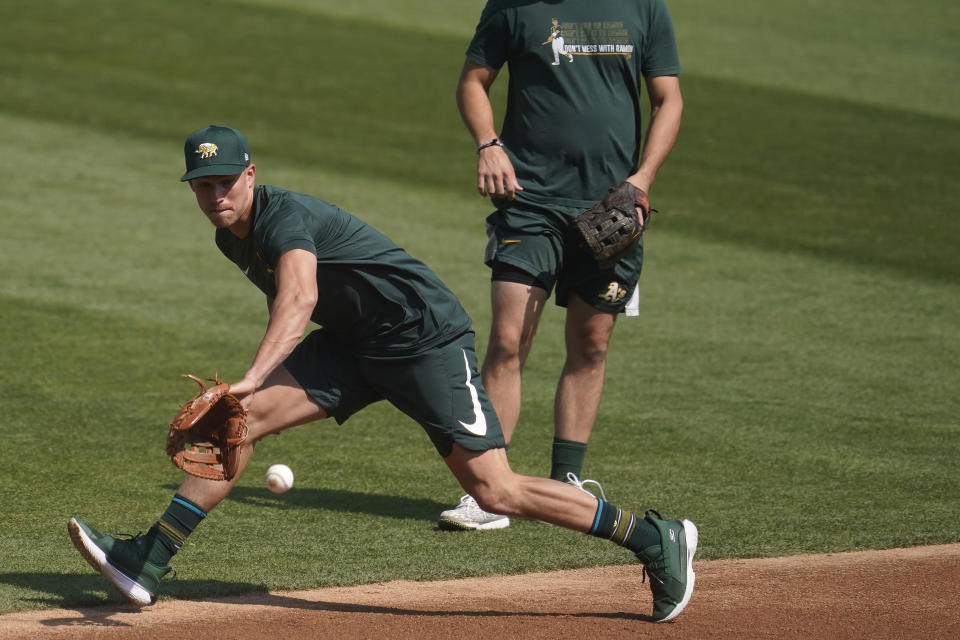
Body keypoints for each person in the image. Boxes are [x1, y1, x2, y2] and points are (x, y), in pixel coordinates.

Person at [67, 125, 697, 622]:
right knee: (235, 424)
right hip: (352, 344)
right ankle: (149, 560)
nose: (217, 196)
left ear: (251, 175)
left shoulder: (283, 218)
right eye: (204, 186)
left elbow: (300, 299)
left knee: (494, 491)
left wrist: (255, 373)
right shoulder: (232, 236)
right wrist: (257, 386)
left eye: (227, 181)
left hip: (423, 339)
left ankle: (653, 537)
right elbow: (293, 303)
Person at [438, 0, 684, 532]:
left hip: (612, 204)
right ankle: (488, 491)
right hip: (530, 201)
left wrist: (643, 180)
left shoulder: (643, 7)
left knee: (591, 347)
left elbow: (669, 99)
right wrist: (488, 144)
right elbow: (473, 82)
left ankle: (565, 482)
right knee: (508, 341)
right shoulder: (514, 7)